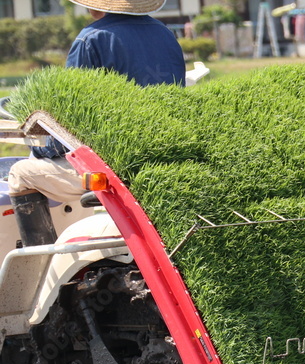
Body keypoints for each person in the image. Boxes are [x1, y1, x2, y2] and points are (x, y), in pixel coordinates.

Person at [7, 0, 185, 247]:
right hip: (161, 158)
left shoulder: (91, 39)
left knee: (20, 173)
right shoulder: (166, 34)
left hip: (116, 167)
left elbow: (72, 118)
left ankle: (43, 268)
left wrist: (42, 149)